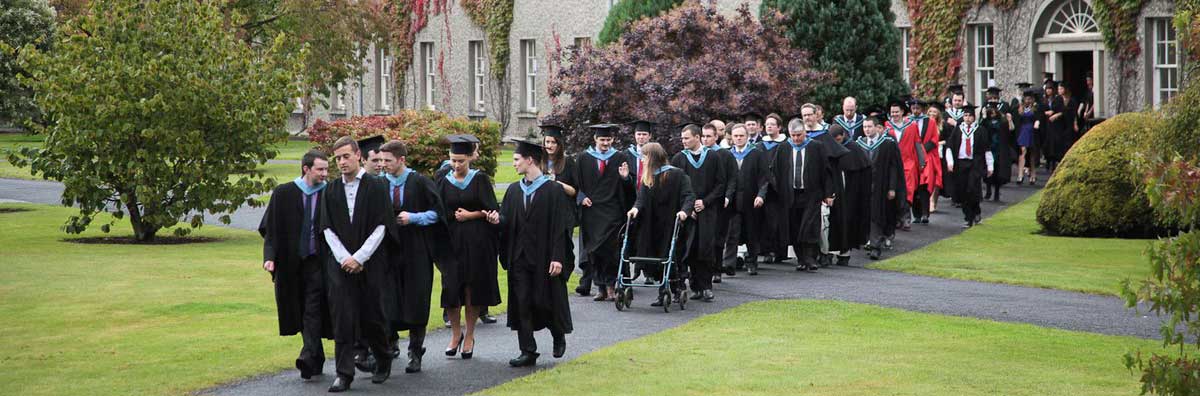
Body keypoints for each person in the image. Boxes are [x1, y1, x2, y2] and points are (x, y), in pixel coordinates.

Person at [489, 139, 575, 368]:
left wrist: (558, 257)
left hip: (545, 257)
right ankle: (527, 350)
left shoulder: (553, 190)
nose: (514, 163)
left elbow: (561, 227)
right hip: (519, 257)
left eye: (517, 159)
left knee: (545, 301)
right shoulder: (514, 190)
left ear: (530, 160)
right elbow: (507, 219)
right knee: (522, 303)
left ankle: (557, 333)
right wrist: (498, 220)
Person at [320, 136, 394, 392]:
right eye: (337, 158)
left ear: (358, 156)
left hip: (370, 264)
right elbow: (326, 228)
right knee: (341, 317)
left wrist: (360, 257)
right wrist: (344, 258)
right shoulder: (331, 190)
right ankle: (343, 373)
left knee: (372, 316)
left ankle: (383, 358)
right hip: (340, 265)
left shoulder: (376, 187)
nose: (341, 162)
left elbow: (382, 226)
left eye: (346, 156)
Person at [258, 149, 333, 381]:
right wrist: (269, 257)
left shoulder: (329, 192)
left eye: (326, 168)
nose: (325, 173)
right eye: (320, 169)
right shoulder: (283, 193)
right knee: (298, 307)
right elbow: (270, 229)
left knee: (312, 306)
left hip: (319, 262)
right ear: (306, 169)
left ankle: (307, 356)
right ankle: (316, 355)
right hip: (291, 263)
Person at [377, 140, 444, 374]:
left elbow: (438, 214)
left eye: (388, 161)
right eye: (381, 161)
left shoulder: (421, 182)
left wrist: (414, 217)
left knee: (417, 302)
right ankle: (390, 342)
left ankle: (415, 352)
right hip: (387, 252)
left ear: (401, 160)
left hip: (417, 251)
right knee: (387, 301)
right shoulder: (378, 184)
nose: (383, 165)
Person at [435, 134, 501, 361]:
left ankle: (470, 335)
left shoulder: (480, 179)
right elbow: (439, 212)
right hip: (452, 243)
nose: (456, 165)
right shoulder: (443, 181)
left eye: (460, 160)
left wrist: (471, 214)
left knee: (471, 290)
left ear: (470, 158)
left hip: (476, 242)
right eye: (453, 160)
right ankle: (456, 334)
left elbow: (492, 210)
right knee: (451, 290)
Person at [627, 142, 695, 306]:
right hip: (651, 226)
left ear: (652, 158)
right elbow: (641, 199)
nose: (642, 160)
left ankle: (677, 288)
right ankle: (662, 292)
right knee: (654, 258)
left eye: (644, 157)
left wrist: (684, 212)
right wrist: (635, 209)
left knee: (671, 258)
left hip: (671, 224)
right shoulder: (647, 178)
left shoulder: (677, 175)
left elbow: (688, 196)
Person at [572, 123, 634, 301]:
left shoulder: (620, 157)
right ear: (595, 139)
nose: (605, 143)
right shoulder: (583, 158)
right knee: (594, 251)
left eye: (608, 139)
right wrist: (581, 197)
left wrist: (625, 178)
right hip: (592, 211)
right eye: (602, 139)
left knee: (611, 251)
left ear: (613, 139)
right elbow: (577, 185)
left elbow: (629, 187)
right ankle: (599, 286)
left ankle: (611, 286)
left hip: (613, 211)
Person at [671, 124, 726, 302]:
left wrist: (705, 202)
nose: (683, 141)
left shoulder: (713, 157)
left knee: (706, 248)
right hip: (688, 214)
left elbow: (720, 184)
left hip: (708, 211)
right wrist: (688, 208)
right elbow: (675, 187)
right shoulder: (679, 159)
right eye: (682, 138)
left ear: (697, 137)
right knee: (690, 250)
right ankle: (695, 286)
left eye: (686, 138)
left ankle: (707, 286)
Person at [775, 118, 834, 271]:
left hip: (812, 194)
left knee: (809, 226)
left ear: (805, 133)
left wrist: (828, 194)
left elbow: (826, 172)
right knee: (794, 227)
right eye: (793, 135)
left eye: (799, 135)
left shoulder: (816, 147)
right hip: (791, 194)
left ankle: (811, 259)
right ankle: (801, 259)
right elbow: (776, 172)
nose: (796, 138)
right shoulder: (783, 148)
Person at [722, 123, 771, 275]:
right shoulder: (727, 154)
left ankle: (752, 262)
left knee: (751, 233)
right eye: (736, 136)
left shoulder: (756, 153)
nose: (738, 138)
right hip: (733, 201)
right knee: (732, 233)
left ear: (747, 137)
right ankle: (729, 264)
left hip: (751, 200)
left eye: (741, 136)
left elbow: (764, 178)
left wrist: (760, 195)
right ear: (731, 137)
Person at [856, 117, 904, 260]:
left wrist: (892, 187)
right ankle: (869, 241)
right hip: (863, 187)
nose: (867, 130)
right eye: (864, 127)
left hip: (881, 186)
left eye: (869, 127)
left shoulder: (887, 144)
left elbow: (893, 168)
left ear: (877, 127)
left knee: (877, 216)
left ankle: (875, 247)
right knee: (866, 215)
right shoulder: (859, 144)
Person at [826, 124, 871, 266]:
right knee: (831, 222)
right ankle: (828, 253)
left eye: (839, 139)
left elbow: (863, 169)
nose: (837, 143)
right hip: (833, 191)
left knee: (848, 221)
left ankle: (844, 253)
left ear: (843, 136)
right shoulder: (826, 147)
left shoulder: (853, 147)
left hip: (850, 193)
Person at [943, 105, 994, 228]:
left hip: (975, 164)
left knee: (972, 189)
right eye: (965, 115)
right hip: (961, 163)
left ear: (974, 117)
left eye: (970, 115)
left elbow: (987, 149)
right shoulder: (958, 130)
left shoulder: (980, 130)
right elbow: (949, 147)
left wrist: (990, 166)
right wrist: (950, 162)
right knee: (963, 191)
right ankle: (968, 217)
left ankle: (975, 212)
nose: (967, 118)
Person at [702, 122, 737, 283]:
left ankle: (716, 270)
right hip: (704, 203)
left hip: (720, 203)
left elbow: (732, 179)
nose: (705, 139)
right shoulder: (699, 154)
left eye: (709, 136)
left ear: (716, 137)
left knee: (717, 238)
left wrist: (728, 196)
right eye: (703, 136)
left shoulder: (725, 155)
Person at [757, 113, 790, 263]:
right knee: (765, 221)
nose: (769, 126)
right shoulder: (759, 145)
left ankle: (780, 251)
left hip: (780, 188)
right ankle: (767, 250)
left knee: (778, 221)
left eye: (772, 124)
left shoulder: (785, 144)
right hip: (763, 189)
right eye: (767, 124)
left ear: (779, 127)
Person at [904, 98, 940, 224]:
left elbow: (934, 140)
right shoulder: (907, 122)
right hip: (911, 158)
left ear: (922, 109)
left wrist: (922, 150)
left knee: (924, 186)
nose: (915, 111)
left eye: (918, 108)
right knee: (913, 187)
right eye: (913, 108)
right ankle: (917, 215)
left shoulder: (930, 122)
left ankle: (925, 213)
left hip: (926, 158)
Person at [885, 100, 919, 232]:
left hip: (908, 163)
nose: (894, 114)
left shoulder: (911, 126)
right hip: (892, 164)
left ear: (902, 112)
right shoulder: (886, 126)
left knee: (907, 192)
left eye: (896, 112)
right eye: (892, 112)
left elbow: (917, 143)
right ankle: (896, 219)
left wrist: (921, 162)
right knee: (893, 191)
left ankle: (906, 219)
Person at [982, 104, 1014, 201]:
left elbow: (1010, 132)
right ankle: (988, 190)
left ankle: (996, 192)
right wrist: (983, 117)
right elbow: (981, 130)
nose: (992, 114)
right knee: (988, 170)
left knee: (998, 171)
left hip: (999, 149)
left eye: (994, 112)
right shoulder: (985, 122)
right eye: (990, 112)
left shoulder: (1002, 122)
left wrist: (1010, 120)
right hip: (989, 148)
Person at [1015, 89, 1041, 185]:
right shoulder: (1020, 108)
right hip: (1023, 131)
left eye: (1029, 99)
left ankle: (1033, 174)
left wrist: (1037, 122)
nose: (1028, 101)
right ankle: (1020, 174)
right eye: (1026, 99)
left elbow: (1039, 118)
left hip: (1032, 131)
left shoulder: (1036, 108)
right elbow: (1018, 119)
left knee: (1032, 154)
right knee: (1023, 151)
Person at [1042, 81, 1068, 172]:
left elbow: (1062, 110)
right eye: (1047, 89)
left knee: (1055, 143)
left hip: (1056, 124)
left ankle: (1054, 162)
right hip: (1047, 124)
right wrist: (1046, 113)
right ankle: (1048, 161)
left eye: (1050, 89)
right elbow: (1040, 110)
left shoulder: (1058, 99)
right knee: (1047, 143)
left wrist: (1054, 113)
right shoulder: (1044, 100)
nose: (1048, 91)